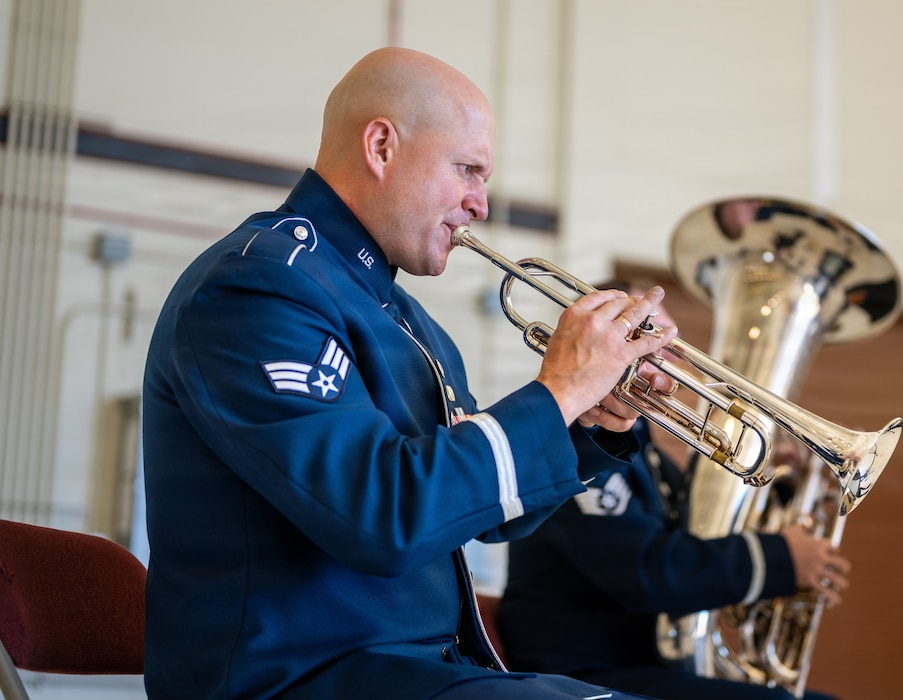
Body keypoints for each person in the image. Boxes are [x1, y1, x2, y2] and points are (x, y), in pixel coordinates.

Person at [141, 47, 680, 700]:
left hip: (413, 673)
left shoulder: (405, 319)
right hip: (293, 679)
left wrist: (587, 415)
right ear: (381, 146)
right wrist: (558, 389)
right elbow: (381, 518)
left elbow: (480, 511)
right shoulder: (257, 288)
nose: (480, 204)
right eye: (467, 170)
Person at [499, 280, 848, 700]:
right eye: (649, 334)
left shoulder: (645, 450)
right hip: (578, 672)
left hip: (639, 664)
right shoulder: (576, 443)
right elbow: (648, 573)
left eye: (672, 341)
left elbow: (692, 541)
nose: (672, 356)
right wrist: (779, 557)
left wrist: (772, 489)